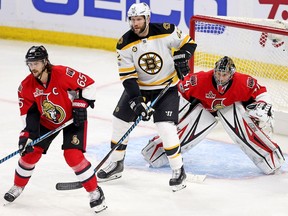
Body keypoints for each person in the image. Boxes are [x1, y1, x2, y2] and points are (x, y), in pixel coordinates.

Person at [96, 2, 197, 192]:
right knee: (120, 121)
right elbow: (128, 76)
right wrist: (136, 101)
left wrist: (183, 56)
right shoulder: (124, 43)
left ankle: (178, 170)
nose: (135, 23)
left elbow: (189, 42)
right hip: (140, 88)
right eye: (133, 20)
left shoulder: (165, 31)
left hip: (166, 87)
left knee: (165, 127)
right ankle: (117, 164)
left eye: (139, 19)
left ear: (147, 19)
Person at [4, 45, 107, 213]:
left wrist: (81, 104)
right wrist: (27, 136)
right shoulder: (26, 86)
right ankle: (17, 186)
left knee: (72, 156)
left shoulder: (62, 73)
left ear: (45, 62)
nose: (33, 68)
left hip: (72, 119)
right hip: (47, 122)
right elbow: (29, 115)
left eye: (36, 63)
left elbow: (88, 85)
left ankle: (95, 192)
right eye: (30, 64)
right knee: (29, 153)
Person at [142, 56, 285, 174]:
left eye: (225, 74)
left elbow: (260, 91)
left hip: (231, 109)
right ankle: (157, 151)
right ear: (214, 71)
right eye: (218, 73)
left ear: (231, 74)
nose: (221, 77)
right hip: (203, 110)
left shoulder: (243, 82)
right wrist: (167, 110)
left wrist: (263, 104)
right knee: (198, 120)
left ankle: (270, 157)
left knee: (258, 115)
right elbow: (178, 91)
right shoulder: (199, 80)